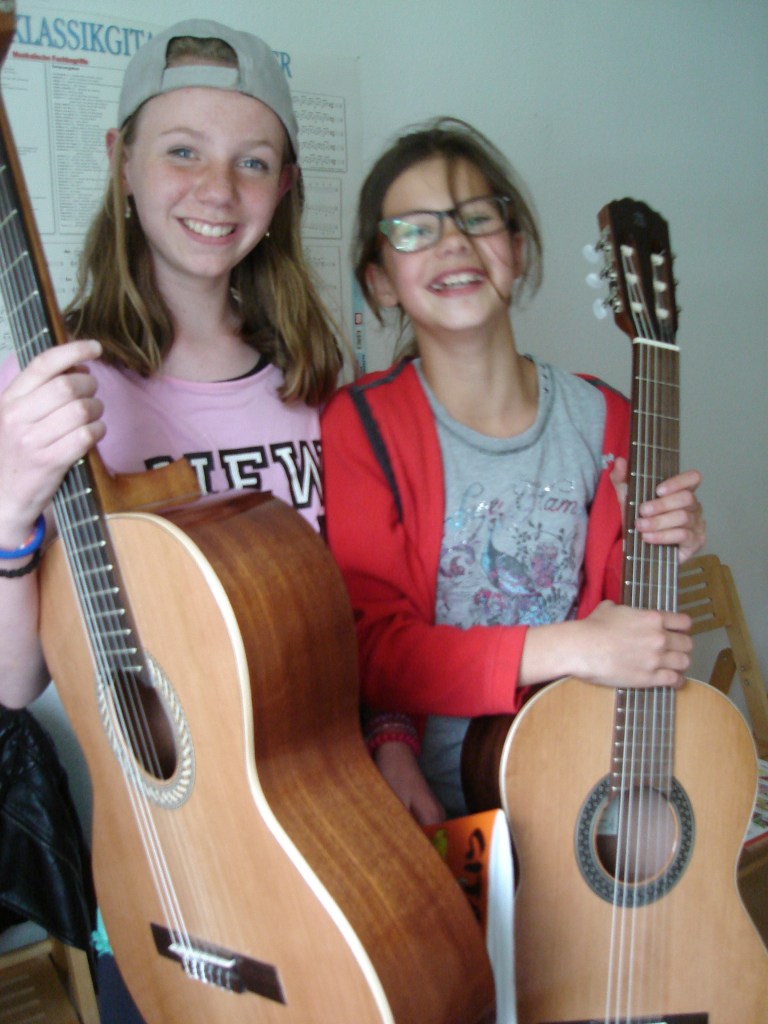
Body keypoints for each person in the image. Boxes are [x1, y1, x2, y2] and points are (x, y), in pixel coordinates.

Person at [0, 19, 340, 1021]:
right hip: (161, 856)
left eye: (253, 162)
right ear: (122, 161)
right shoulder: (47, 387)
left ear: (284, 189)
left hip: (327, 820)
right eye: (182, 150)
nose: (216, 189)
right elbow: (12, 684)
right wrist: (13, 496)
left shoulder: (321, 385)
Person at [321, 117, 706, 825]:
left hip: (584, 778)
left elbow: (625, 616)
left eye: (477, 217)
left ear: (517, 249)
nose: (453, 242)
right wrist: (569, 646)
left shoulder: (610, 418)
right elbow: (373, 650)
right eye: (414, 230)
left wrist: (663, 544)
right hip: (444, 804)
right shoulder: (362, 425)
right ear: (379, 281)